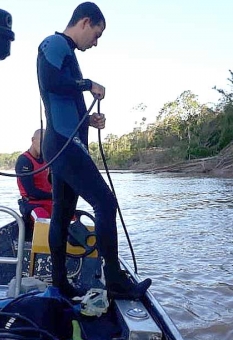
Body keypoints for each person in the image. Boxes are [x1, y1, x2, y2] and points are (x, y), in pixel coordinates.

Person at [37, 2, 151, 299]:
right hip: (64, 144)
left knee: (62, 213)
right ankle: (114, 281)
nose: (96, 42)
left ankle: (59, 282)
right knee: (105, 203)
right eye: (97, 34)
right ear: (85, 22)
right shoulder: (54, 44)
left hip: (62, 142)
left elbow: (62, 99)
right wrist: (88, 83)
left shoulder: (66, 52)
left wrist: (88, 119)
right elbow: (50, 82)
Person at [15, 129, 52, 236]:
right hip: (31, 204)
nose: (44, 145)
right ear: (33, 140)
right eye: (41, 141)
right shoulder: (24, 161)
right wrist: (55, 196)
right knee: (42, 218)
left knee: (71, 217)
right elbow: (31, 192)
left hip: (49, 201)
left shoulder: (48, 159)